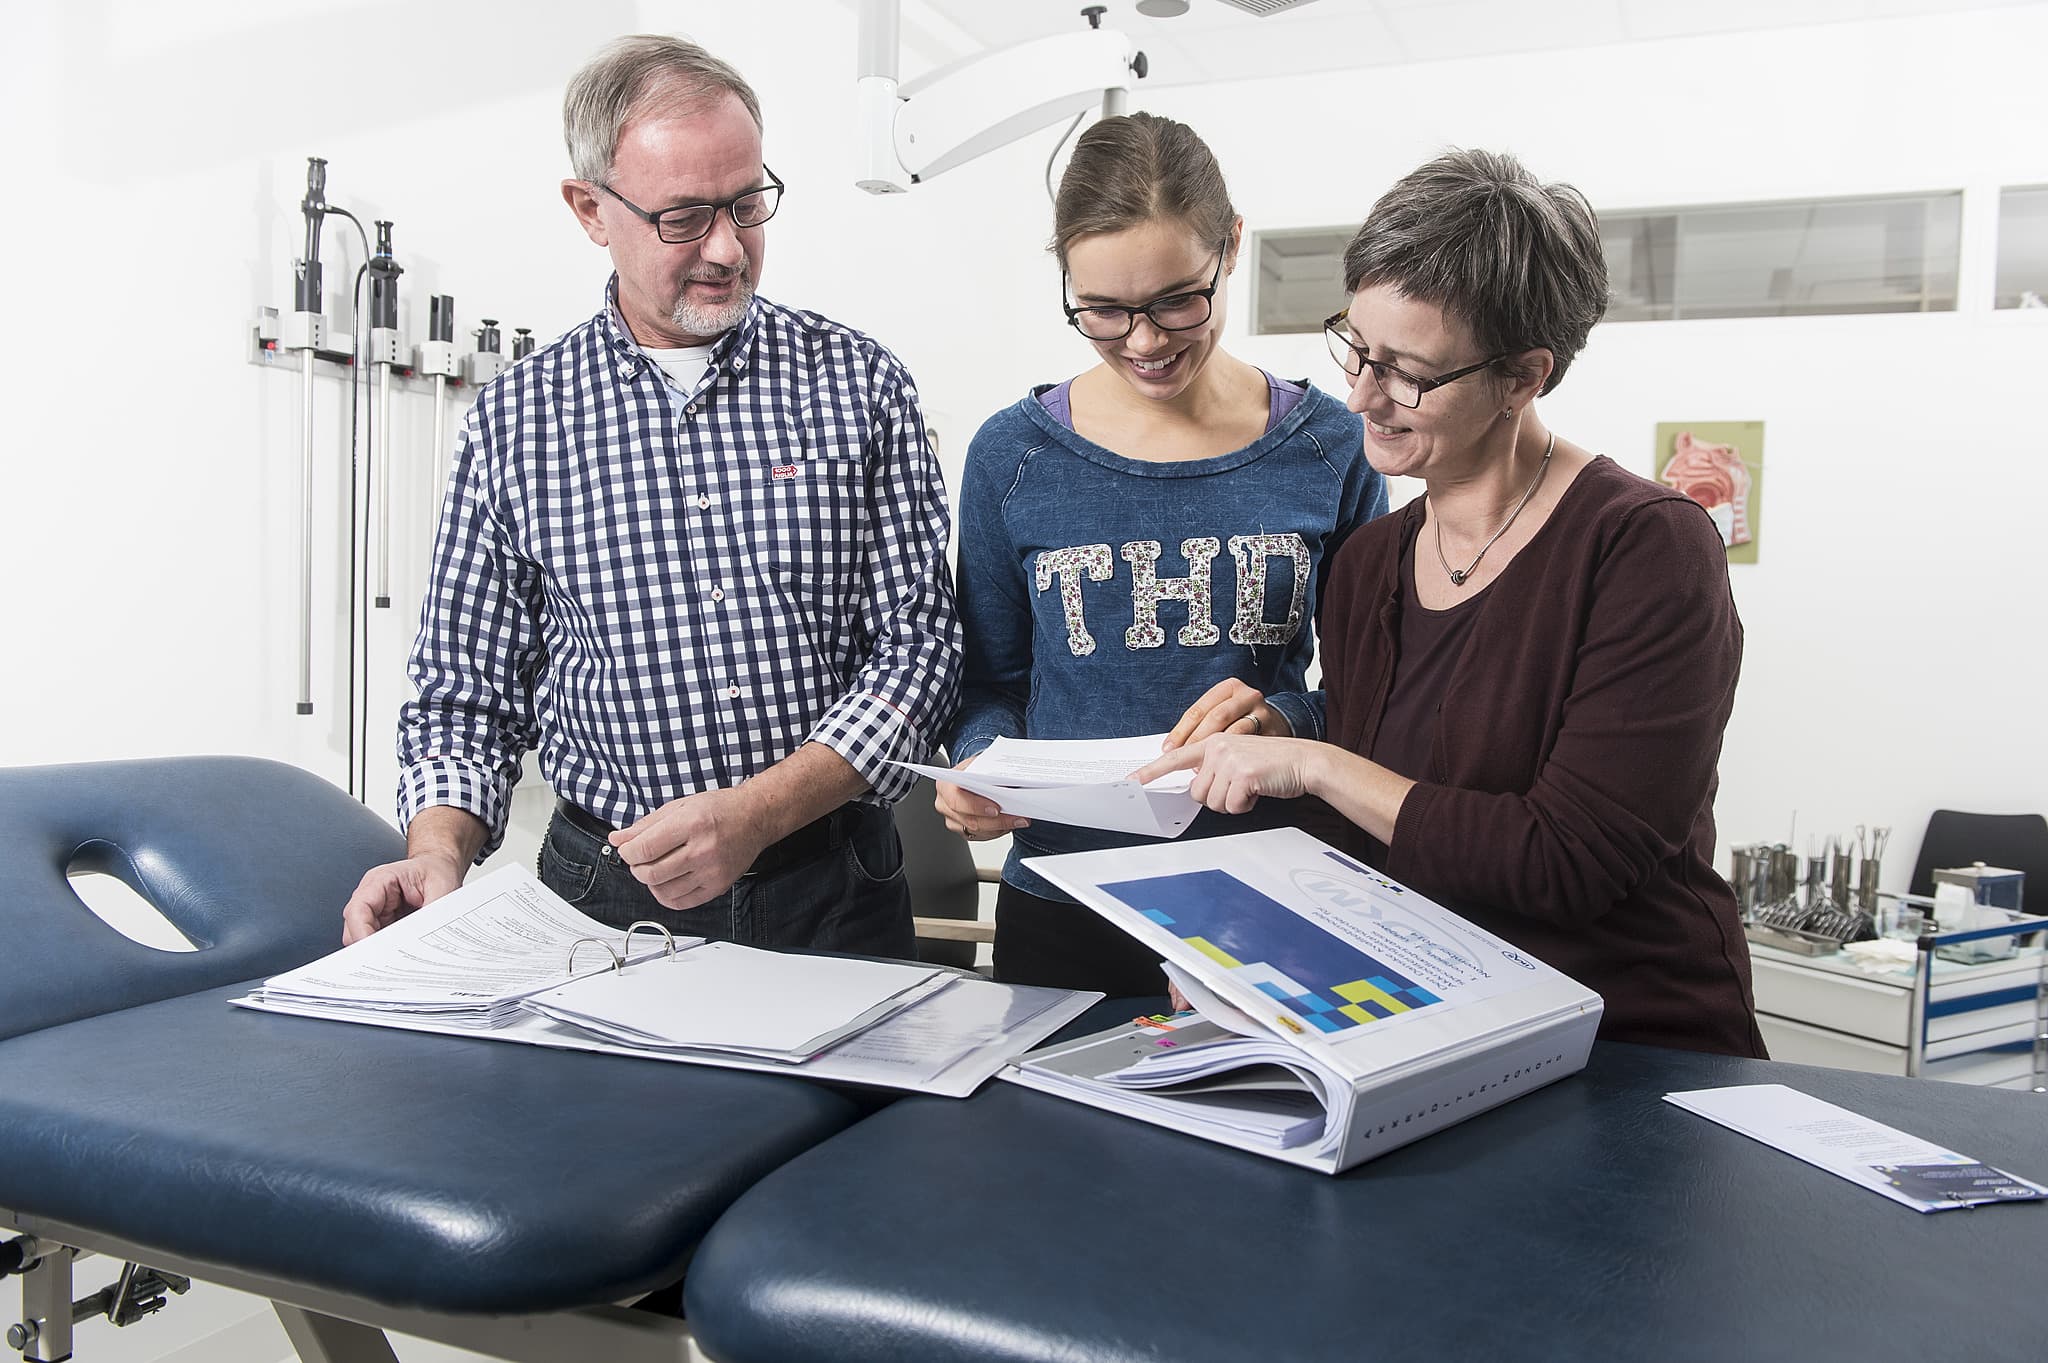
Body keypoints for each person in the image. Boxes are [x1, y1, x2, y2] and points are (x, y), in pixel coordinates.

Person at [340, 35, 961, 956]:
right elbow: (464, 694)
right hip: (602, 897)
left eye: (748, 204)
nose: (726, 248)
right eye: (683, 217)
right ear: (590, 209)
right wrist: (437, 850)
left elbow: (921, 654)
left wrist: (757, 811)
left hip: (832, 892)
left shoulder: (859, 385)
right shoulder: (517, 419)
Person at [1140, 149, 1764, 1057]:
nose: (1361, 394)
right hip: (1434, 1030)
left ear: (1523, 377)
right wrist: (1243, 952)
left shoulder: (1645, 548)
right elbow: (1369, 837)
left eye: (1409, 373)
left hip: (1629, 1048)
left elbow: (1565, 859)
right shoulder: (1369, 564)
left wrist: (1318, 765)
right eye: (1355, 346)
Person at [938, 113, 1386, 997]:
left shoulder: (1331, 444)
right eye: (1103, 310)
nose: (1144, 341)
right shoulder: (1012, 456)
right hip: (1064, 904)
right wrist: (979, 768)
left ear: (1230, 248)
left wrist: (1285, 722)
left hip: (1265, 894)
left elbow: (1375, 693)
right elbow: (990, 684)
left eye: (1179, 300)